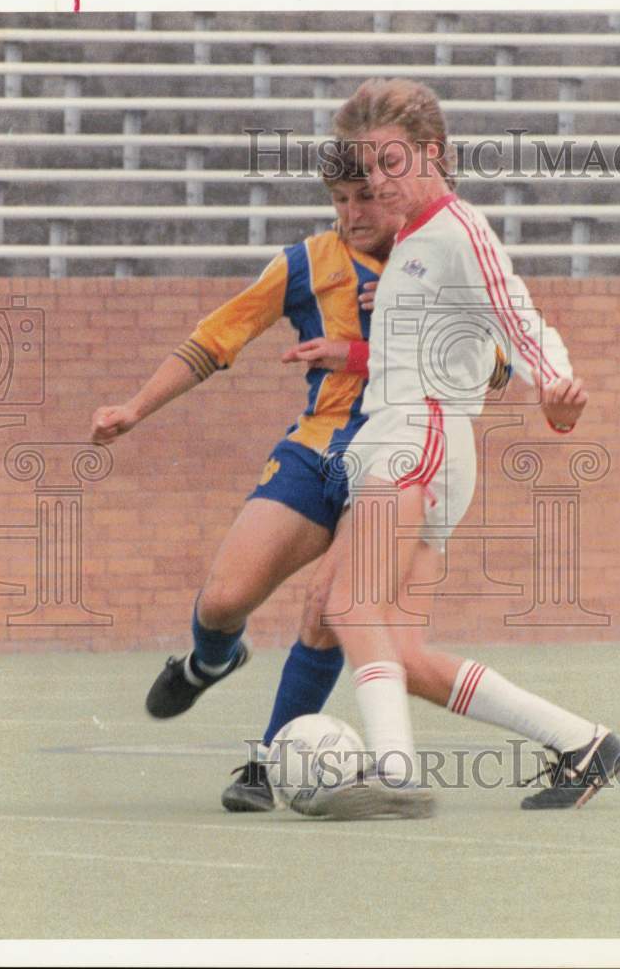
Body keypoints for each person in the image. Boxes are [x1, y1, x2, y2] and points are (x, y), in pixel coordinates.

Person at [278, 78, 620, 819]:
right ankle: (585, 741)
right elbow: (441, 345)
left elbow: (517, 314)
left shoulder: (458, 228)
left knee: (347, 601)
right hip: (410, 435)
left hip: (418, 437)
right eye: (368, 166)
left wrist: (556, 388)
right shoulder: (413, 239)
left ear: (432, 153)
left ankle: (396, 776)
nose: (376, 180)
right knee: (400, 655)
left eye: (389, 161)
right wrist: (352, 350)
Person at [89, 145, 397, 809]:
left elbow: (488, 367)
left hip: (402, 462)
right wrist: (135, 408)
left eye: (364, 198)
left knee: (326, 607)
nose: (351, 214)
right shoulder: (308, 263)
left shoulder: (441, 261)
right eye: (339, 201)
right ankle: (211, 661)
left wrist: (390, 331)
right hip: (317, 450)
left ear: (398, 192)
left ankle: (266, 764)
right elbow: (216, 337)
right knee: (224, 601)